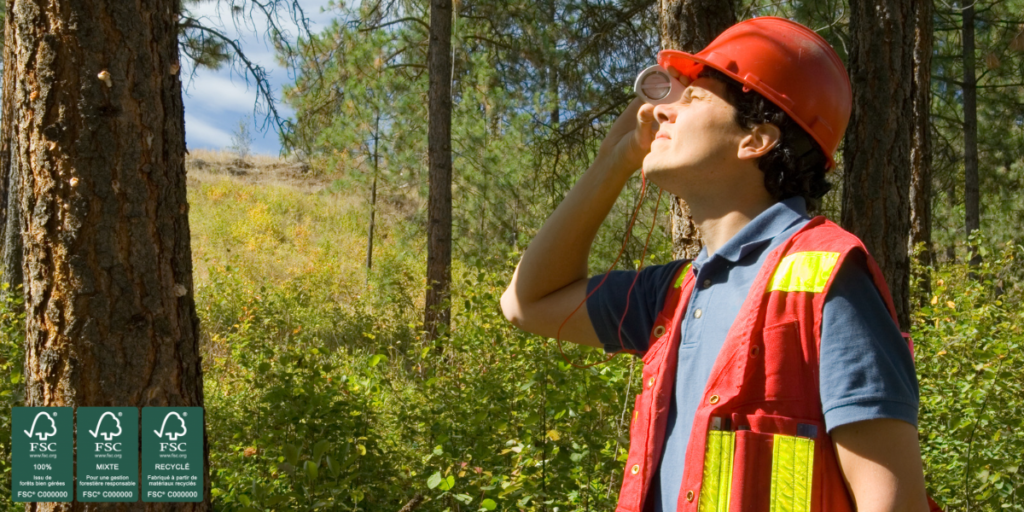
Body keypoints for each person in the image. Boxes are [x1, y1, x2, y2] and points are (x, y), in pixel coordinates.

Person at [500, 16, 933, 512]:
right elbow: (525, 304)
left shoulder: (827, 279)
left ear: (756, 140)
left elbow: (894, 504)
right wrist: (613, 161)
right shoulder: (676, 293)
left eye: (695, 97)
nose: (661, 113)